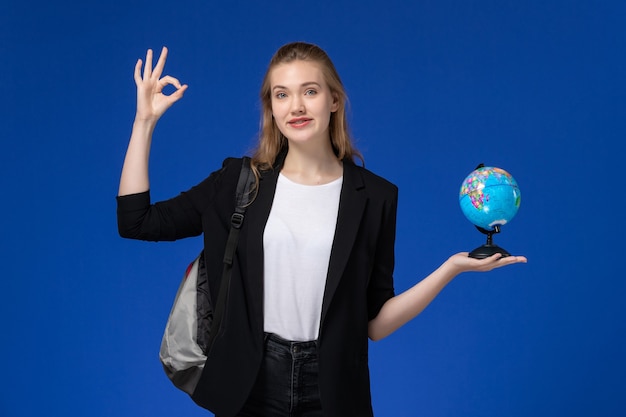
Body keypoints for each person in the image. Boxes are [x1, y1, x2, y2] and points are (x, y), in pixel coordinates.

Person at [117, 42, 527, 417]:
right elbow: (137, 221)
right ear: (271, 108)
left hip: (334, 389)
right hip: (250, 383)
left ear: (334, 100)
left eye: (309, 91)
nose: (296, 105)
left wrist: (450, 268)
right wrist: (144, 122)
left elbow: (375, 324)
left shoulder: (376, 197)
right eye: (282, 94)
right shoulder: (239, 183)